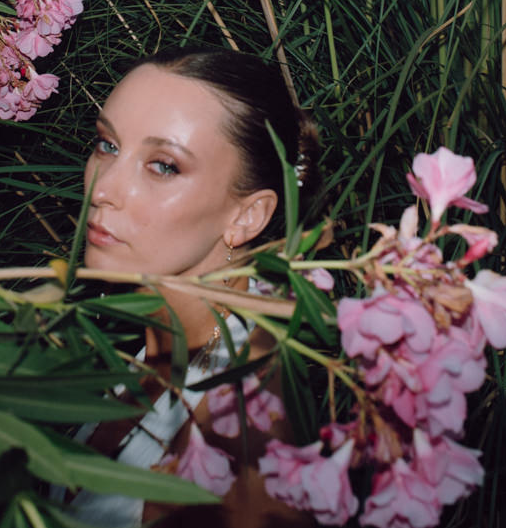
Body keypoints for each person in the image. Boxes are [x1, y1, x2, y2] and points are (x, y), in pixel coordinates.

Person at [70, 47, 321, 528]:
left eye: (163, 166)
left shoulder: (237, 441)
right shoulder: (171, 337)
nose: (102, 191)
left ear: (248, 216)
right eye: (107, 145)